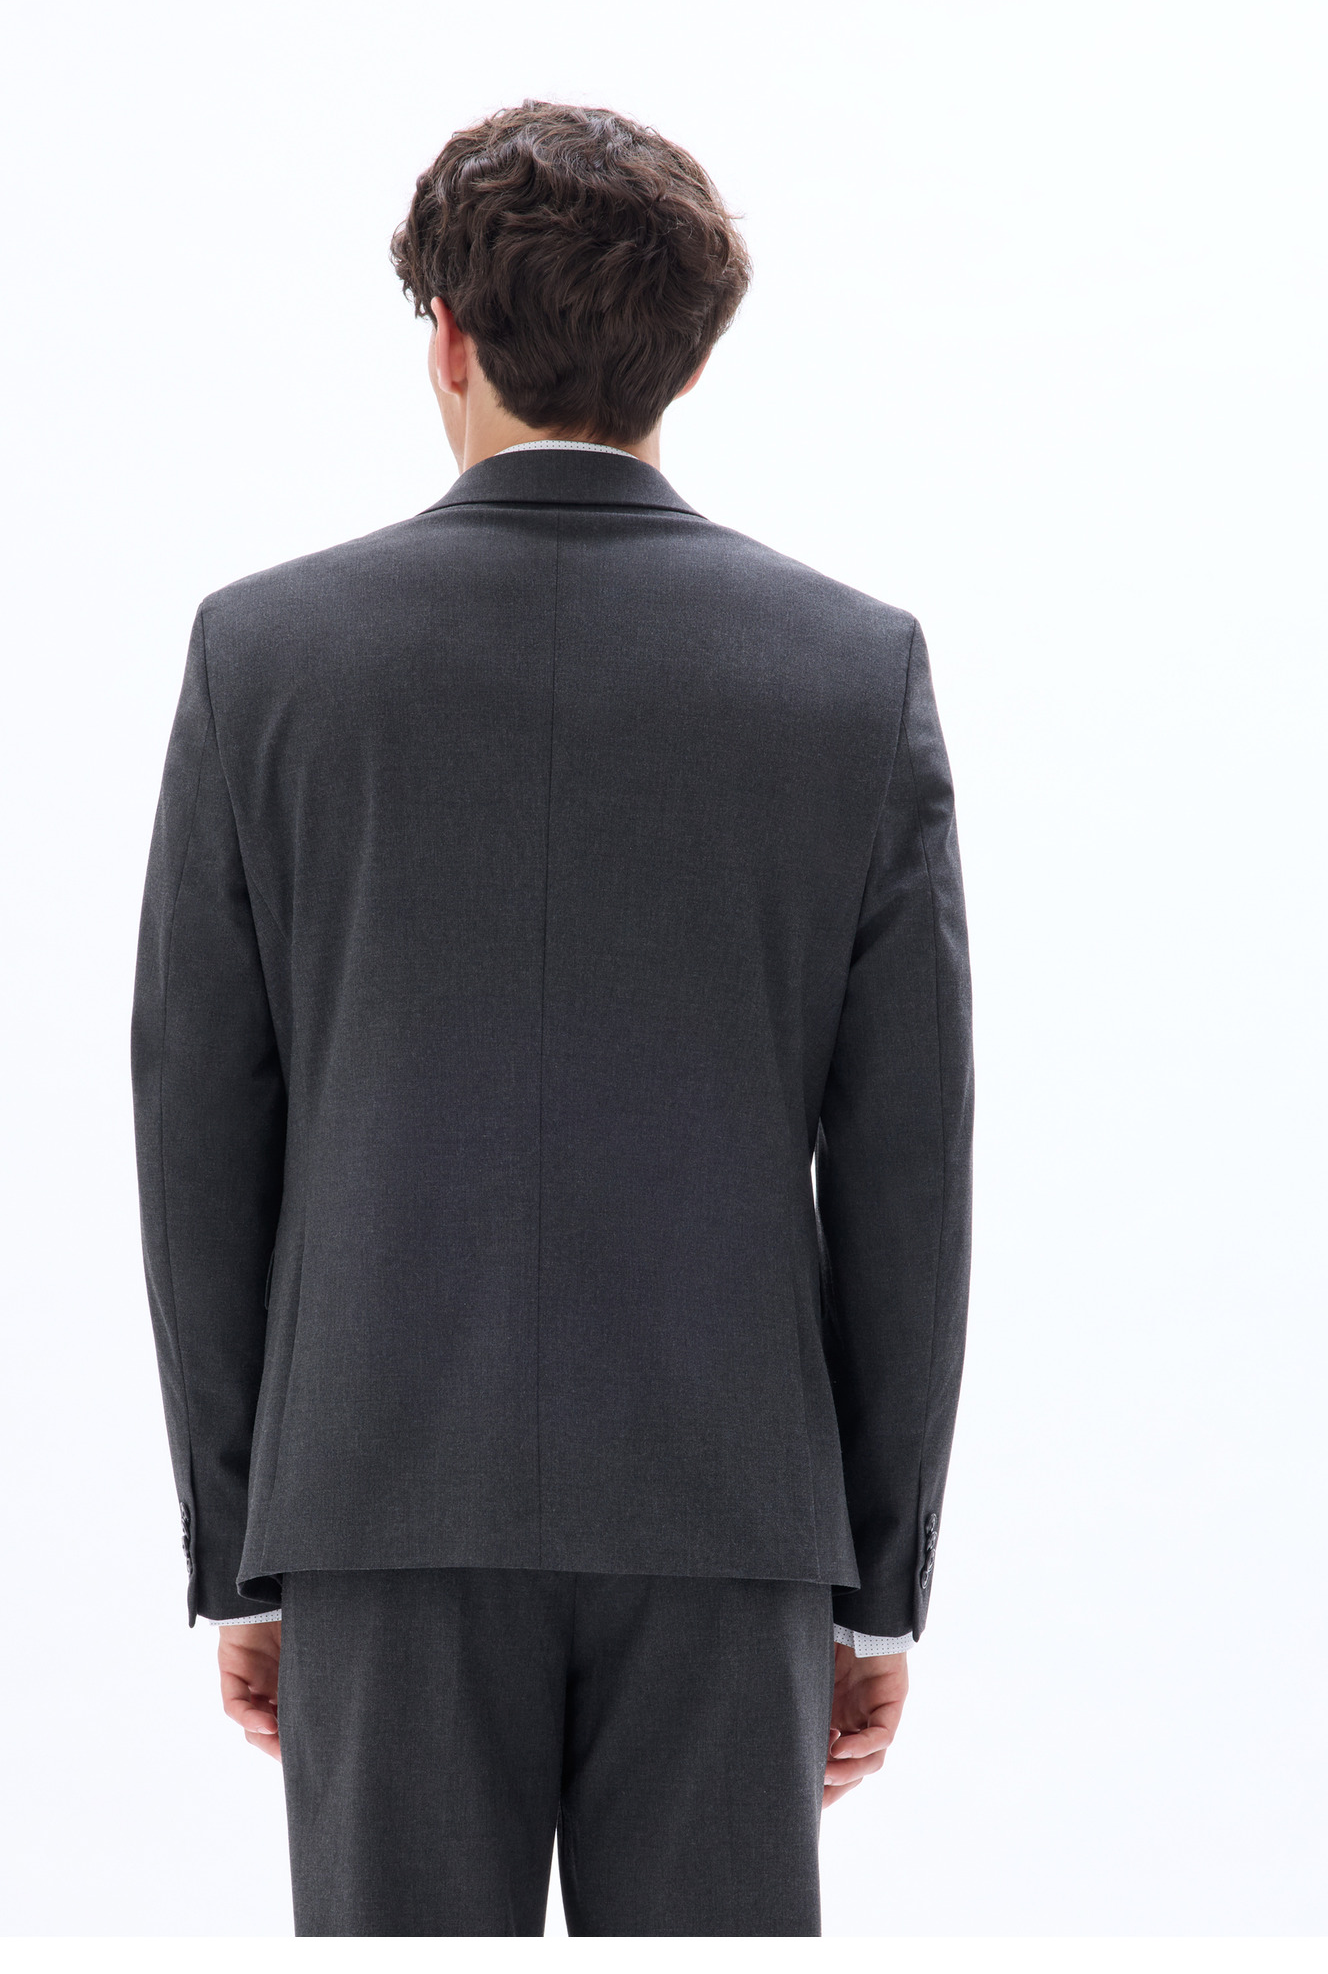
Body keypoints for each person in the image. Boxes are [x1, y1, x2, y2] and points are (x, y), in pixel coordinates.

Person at [131, 99, 972, 1938]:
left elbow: (200, 1126)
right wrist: (874, 1580)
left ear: (447, 338)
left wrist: (247, 1540)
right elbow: (908, 1168)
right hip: (731, 1516)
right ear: (692, 358)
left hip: (378, 1498)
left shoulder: (266, 659)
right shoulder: (852, 671)